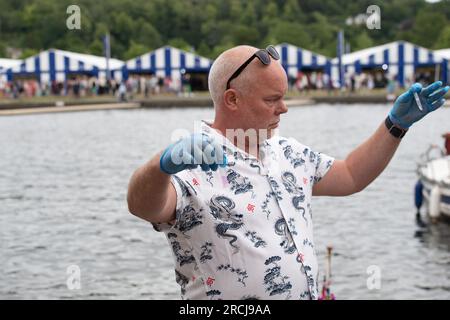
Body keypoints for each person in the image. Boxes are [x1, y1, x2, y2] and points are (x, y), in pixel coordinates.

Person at [127, 45, 449, 300]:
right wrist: (161, 165)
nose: (284, 108)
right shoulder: (192, 162)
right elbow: (142, 206)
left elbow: (351, 175)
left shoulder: (286, 152)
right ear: (232, 99)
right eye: (273, 99)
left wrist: (395, 125)